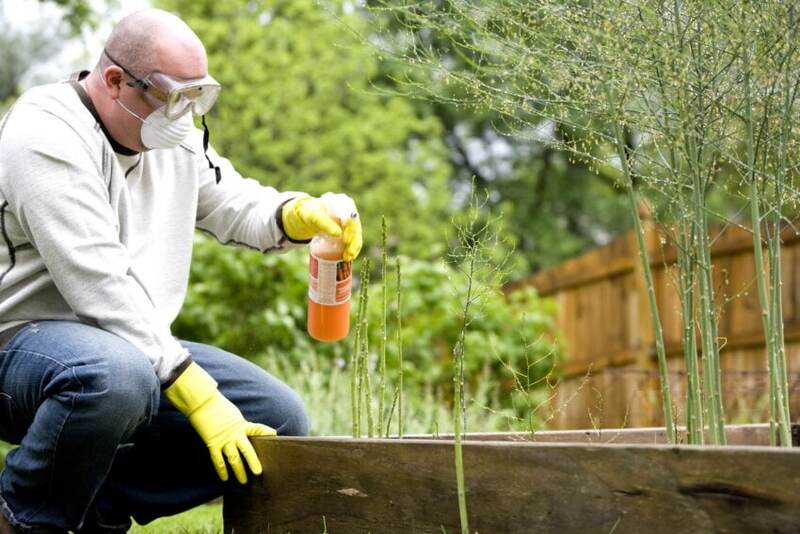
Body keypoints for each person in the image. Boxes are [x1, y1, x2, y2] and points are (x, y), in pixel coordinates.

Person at [0, 7, 362, 533]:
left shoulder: (172, 136)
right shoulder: (45, 134)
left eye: (197, 96)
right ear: (116, 80)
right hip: (18, 346)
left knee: (278, 419)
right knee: (117, 376)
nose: (185, 114)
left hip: (125, 348)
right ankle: (24, 519)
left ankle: (91, 515)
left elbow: (233, 203)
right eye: (174, 97)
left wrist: (300, 214)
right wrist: (198, 396)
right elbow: (101, 286)